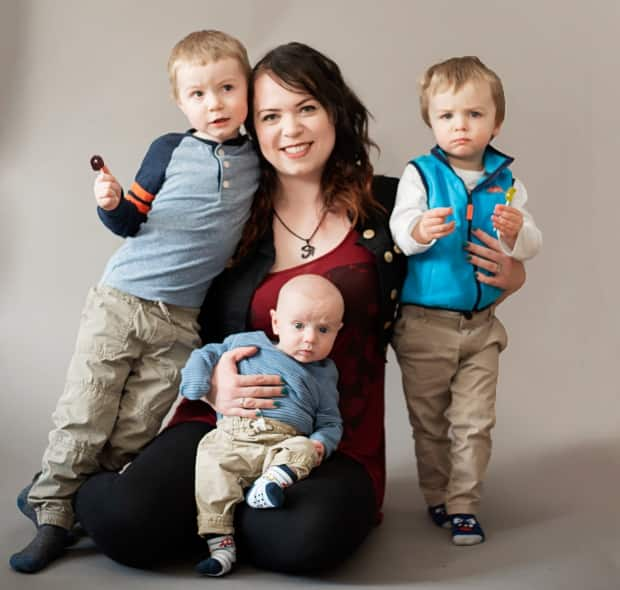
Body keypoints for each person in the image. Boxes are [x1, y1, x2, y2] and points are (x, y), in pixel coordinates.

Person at [17, 42, 525, 575]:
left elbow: (456, 276)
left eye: (306, 108)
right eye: (270, 116)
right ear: (251, 126)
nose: (291, 129)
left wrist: (513, 275)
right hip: (222, 424)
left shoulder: (395, 204)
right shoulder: (229, 212)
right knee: (126, 522)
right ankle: (73, 491)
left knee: (301, 541)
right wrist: (212, 385)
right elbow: (174, 310)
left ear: (335, 111)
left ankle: (219, 519)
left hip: (328, 437)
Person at [9, 30, 259, 574]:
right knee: (87, 410)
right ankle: (52, 513)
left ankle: (74, 499)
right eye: (197, 94)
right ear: (179, 101)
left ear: (248, 89)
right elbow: (129, 222)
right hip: (122, 301)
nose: (213, 103)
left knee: (138, 425)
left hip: (182, 319)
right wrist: (111, 202)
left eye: (226, 88)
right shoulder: (169, 150)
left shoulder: (259, 161)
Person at [389, 56, 542, 546]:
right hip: (423, 325)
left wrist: (519, 236)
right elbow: (400, 229)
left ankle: (464, 506)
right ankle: (437, 493)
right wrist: (418, 229)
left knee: (474, 422)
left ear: (495, 122)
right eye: (447, 115)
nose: (461, 126)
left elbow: (531, 242)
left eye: (474, 115)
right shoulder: (422, 174)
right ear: (431, 121)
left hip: (482, 327)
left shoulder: (507, 181)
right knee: (430, 422)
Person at [181, 273, 344, 576]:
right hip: (234, 434)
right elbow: (206, 354)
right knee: (210, 459)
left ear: (338, 331)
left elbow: (330, 421)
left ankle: (272, 482)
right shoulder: (247, 343)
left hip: (283, 443)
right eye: (299, 326)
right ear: (275, 322)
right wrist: (197, 382)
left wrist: (322, 442)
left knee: (306, 448)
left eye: (323, 329)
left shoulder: (324, 374)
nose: (310, 338)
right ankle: (220, 544)